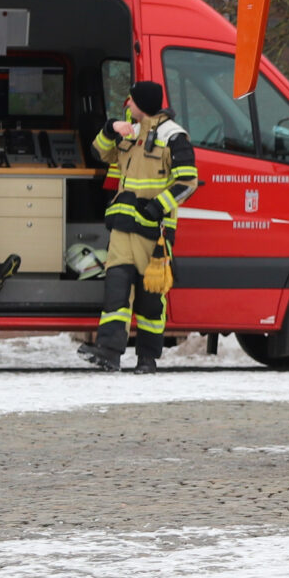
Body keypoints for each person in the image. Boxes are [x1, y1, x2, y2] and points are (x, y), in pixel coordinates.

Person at [87, 81, 198, 371]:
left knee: (150, 300)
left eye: (131, 100)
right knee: (116, 292)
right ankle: (108, 352)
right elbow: (99, 152)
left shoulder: (174, 137)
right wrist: (111, 128)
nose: (127, 103)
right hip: (123, 227)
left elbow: (188, 182)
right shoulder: (129, 131)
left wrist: (155, 209)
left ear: (142, 103)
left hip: (154, 231)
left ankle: (147, 359)